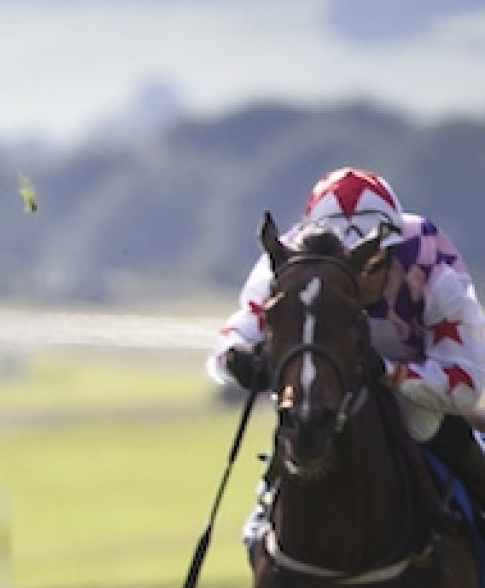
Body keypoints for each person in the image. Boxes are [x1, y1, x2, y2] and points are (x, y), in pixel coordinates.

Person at [208, 166, 485, 507]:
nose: (357, 280)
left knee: (422, 421)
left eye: (368, 262)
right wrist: (241, 360)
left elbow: (466, 387)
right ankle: (264, 515)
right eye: (343, 263)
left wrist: (389, 371)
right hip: (329, 392)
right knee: (300, 413)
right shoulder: (290, 264)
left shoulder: (434, 271)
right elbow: (229, 343)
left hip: (418, 395)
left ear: (390, 248)